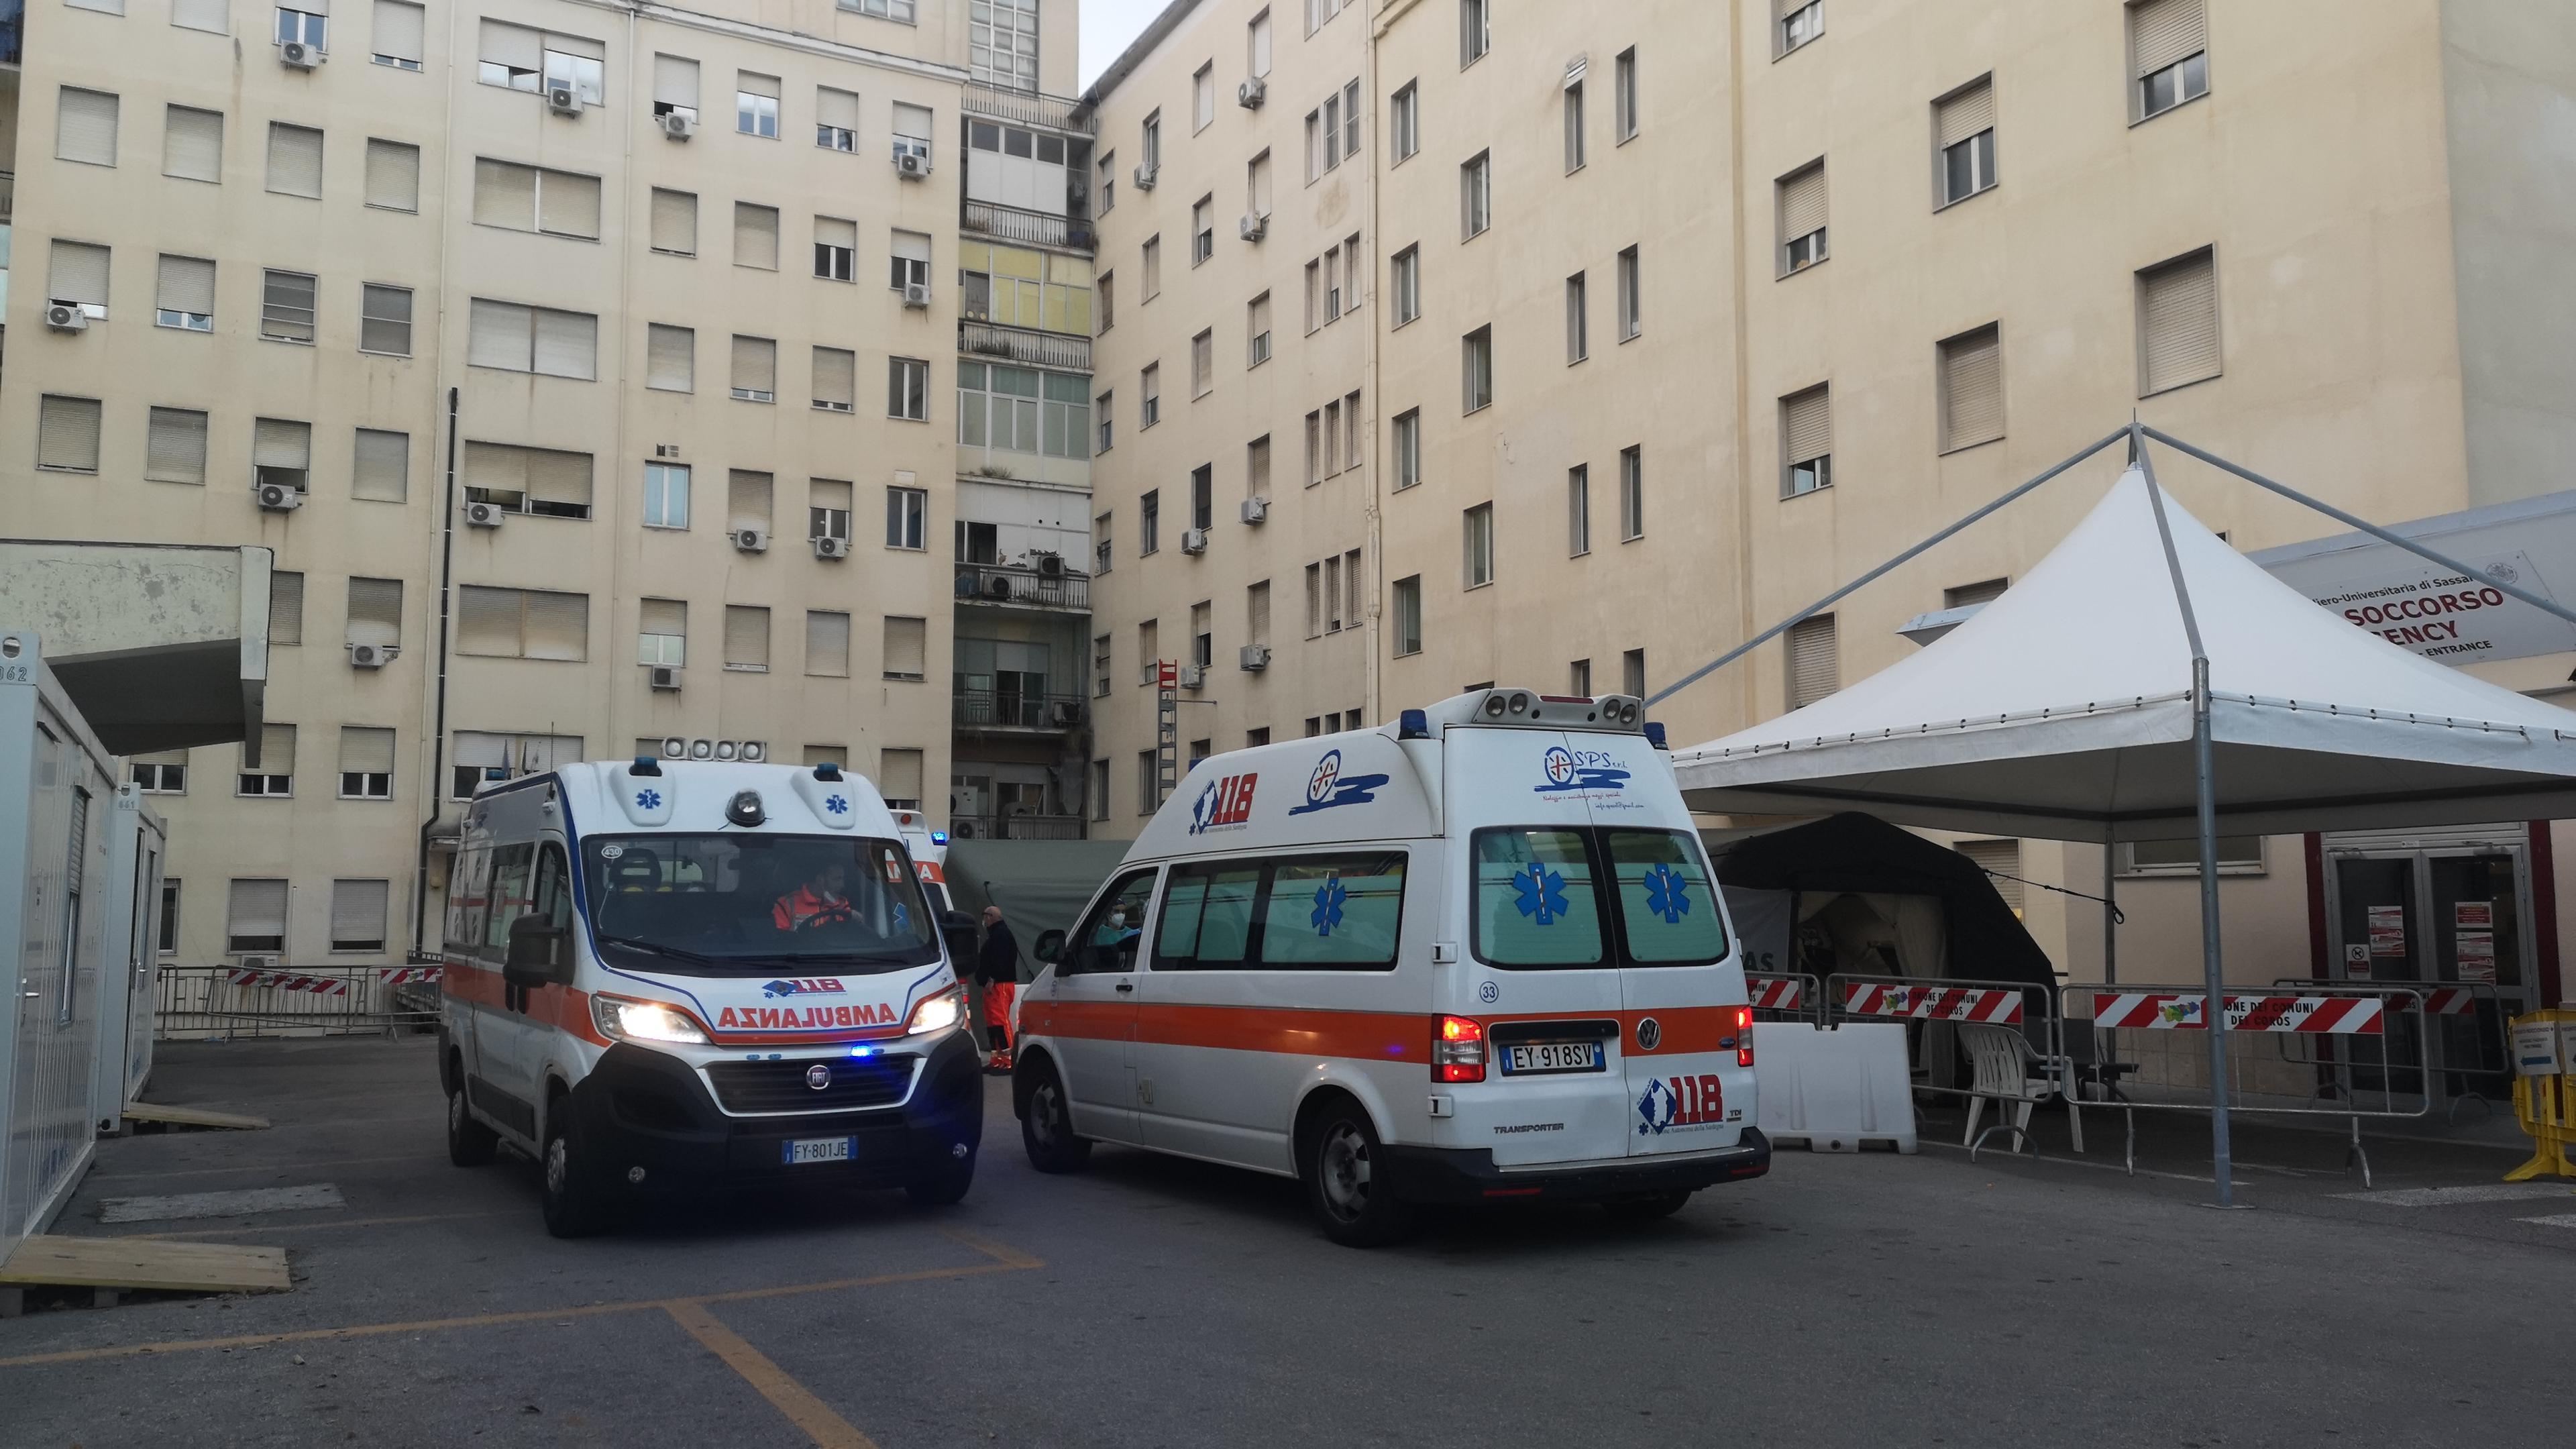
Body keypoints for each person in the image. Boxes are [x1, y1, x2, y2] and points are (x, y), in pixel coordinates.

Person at [976, 906, 1020, 1072]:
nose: (984, 921)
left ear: (990, 917)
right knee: (993, 1022)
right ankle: (997, 1059)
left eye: (985, 917)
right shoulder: (997, 934)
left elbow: (1001, 960)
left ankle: (1008, 1060)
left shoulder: (1001, 935)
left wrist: (992, 979)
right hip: (994, 985)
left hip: (999, 985)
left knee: (1000, 1021)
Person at [771, 860, 854, 932]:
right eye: (837, 879)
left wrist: (854, 918)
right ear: (820, 879)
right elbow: (781, 941)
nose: (842, 885)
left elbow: (847, 936)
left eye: (842, 879)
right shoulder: (787, 904)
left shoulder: (842, 904)